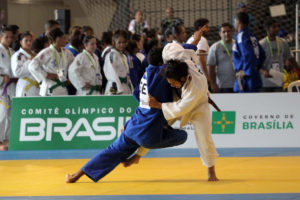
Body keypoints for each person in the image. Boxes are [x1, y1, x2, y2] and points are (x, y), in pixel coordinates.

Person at [65, 48, 187, 183]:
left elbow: (136, 94)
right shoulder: (161, 73)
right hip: (149, 135)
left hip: (132, 127)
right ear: (161, 62)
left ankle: (77, 174)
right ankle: (138, 154)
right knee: (183, 136)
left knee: (110, 152)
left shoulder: (146, 74)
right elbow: (176, 59)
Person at [129, 43, 219, 181]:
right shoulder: (176, 57)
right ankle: (138, 154)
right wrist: (193, 41)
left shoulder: (197, 84)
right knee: (154, 124)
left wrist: (159, 104)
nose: (170, 84)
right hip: (177, 99)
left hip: (199, 104)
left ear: (182, 79)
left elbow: (182, 108)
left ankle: (211, 171)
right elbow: (172, 46)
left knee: (204, 136)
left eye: (172, 82)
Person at [29, 28, 74, 96]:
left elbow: (73, 66)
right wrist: (46, 75)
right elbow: (32, 65)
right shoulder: (47, 52)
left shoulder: (66, 52)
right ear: (57, 39)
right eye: (64, 38)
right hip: (50, 87)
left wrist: (71, 78)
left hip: (62, 87)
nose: (66, 41)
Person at [259, 18, 295, 92]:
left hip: (278, 83)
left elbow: (291, 58)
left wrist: (296, 69)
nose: (277, 29)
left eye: (277, 26)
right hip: (265, 83)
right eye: (274, 27)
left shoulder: (283, 42)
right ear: (268, 29)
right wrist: (263, 71)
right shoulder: (261, 44)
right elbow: (255, 64)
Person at [233, 12, 265, 93]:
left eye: (234, 21)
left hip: (246, 79)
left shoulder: (241, 36)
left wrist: (246, 71)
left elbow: (248, 54)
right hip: (255, 75)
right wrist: (256, 67)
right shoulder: (252, 36)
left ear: (238, 21)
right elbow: (262, 54)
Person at [207, 23, 235, 93]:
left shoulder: (237, 44)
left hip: (238, 84)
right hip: (222, 85)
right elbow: (210, 67)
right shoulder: (215, 47)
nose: (226, 34)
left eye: (228, 31)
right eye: (224, 32)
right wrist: (213, 84)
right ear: (220, 33)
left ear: (232, 32)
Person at [0, 26, 16, 150]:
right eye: (6, 37)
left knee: (11, 113)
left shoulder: (12, 51)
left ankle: (7, 139)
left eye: (11, 37)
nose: (9, 39)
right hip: (2, 86)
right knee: (3, 113)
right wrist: (2, 77)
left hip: (12, 86)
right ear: (1, 37)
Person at [103, 30, 132, 94]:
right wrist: (119, 88)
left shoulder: (123, 56)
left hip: (124, 86)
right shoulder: (111, 55)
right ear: (113, 42)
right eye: (119, 42)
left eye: (124, 42)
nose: (122, 45)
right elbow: (111, 73)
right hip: (115, 87)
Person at [11, 31, 39, 97]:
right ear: (20, 42)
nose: (29, 42)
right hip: (25, 87)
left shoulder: (34, 55)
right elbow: (17, 72)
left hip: (36, 87)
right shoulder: (17, 55)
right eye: (26, 41)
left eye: (30, 40)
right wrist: (30, 61)